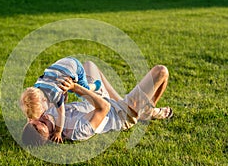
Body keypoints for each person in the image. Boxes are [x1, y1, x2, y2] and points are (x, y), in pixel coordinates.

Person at [21, 61, 173, 146]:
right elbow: (104, 108)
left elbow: (56, 103)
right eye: (43, 123)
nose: (44, 117)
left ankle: (143, 108)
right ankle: (147, 111)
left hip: (99, 100)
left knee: (89, 65)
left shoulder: (47, 118)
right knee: (161, 72)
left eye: (39, 119)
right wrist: (76, 88)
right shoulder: (77, 130)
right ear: (50, 136)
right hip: (120, 113)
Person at [20, 57, 101, 143]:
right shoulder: (37, 87)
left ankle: (96, 85)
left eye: (42, 113)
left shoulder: (54, 95)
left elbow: (61, 114)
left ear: (44, 101)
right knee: (67, 89)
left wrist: (58, 132)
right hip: (61, 64)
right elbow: (32, 104)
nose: (43, 115)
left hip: (75, 67)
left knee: (82, 92)